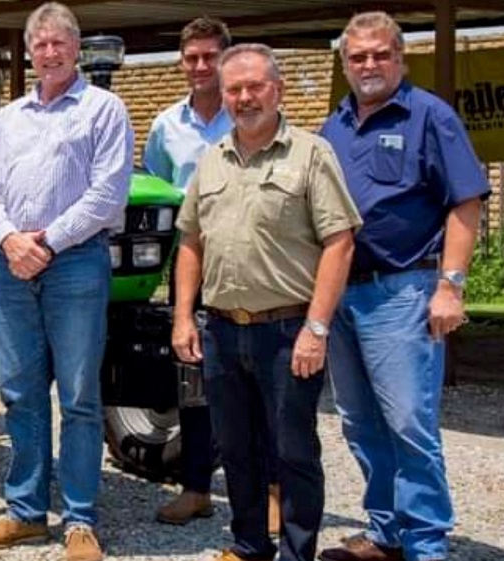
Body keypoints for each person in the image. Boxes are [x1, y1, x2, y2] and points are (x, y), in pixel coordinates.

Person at [172, 43, 361, 561]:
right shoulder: (213, 161)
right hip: (222, 329)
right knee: (236, 448)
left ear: (276, 90)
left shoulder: (310, 154)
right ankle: (249, 545)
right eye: (234, 89)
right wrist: (184, 317)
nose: (244, 97)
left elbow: (339, 241)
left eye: (255, 86)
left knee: (293, 451)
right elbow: (190, 241)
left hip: (286, 331)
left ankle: (298, 553)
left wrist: (317, 329)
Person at [317, 11, 490, 561]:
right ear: (345, 63)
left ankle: (426, 543)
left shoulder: (429, 116)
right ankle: (386, 532)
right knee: (359, 421)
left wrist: (451, 286)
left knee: (409, 422)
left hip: (403, 293)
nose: (368, 64)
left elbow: (465, 201)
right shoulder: (334, 125)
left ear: (400, 58)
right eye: (357, 56)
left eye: (379, 54)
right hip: (342, 295)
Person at [0, 3, 134, 561]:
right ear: (30, 51)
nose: (49, 51)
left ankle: (81, 520)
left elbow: (108, 193)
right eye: (39, 44)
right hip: (12, 267)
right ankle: (26, 511)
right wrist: (11, 240)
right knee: (19, 393)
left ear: (76, 47)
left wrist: (47, 242)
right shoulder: (10, 117)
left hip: (75, 265)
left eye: (59, 41)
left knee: (81, 396)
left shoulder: (103, 109)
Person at [143, 17, 280, 531]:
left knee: (261, 384)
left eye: (210, 57)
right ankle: (197, 487)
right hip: (194, 268)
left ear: (225, 60)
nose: (200, 66)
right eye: (191, 57)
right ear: (181, 62)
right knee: (195, 385)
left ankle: (272, 491)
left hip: (253, 265)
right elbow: (158, 195)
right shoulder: (165, 127)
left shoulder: (249, 116)